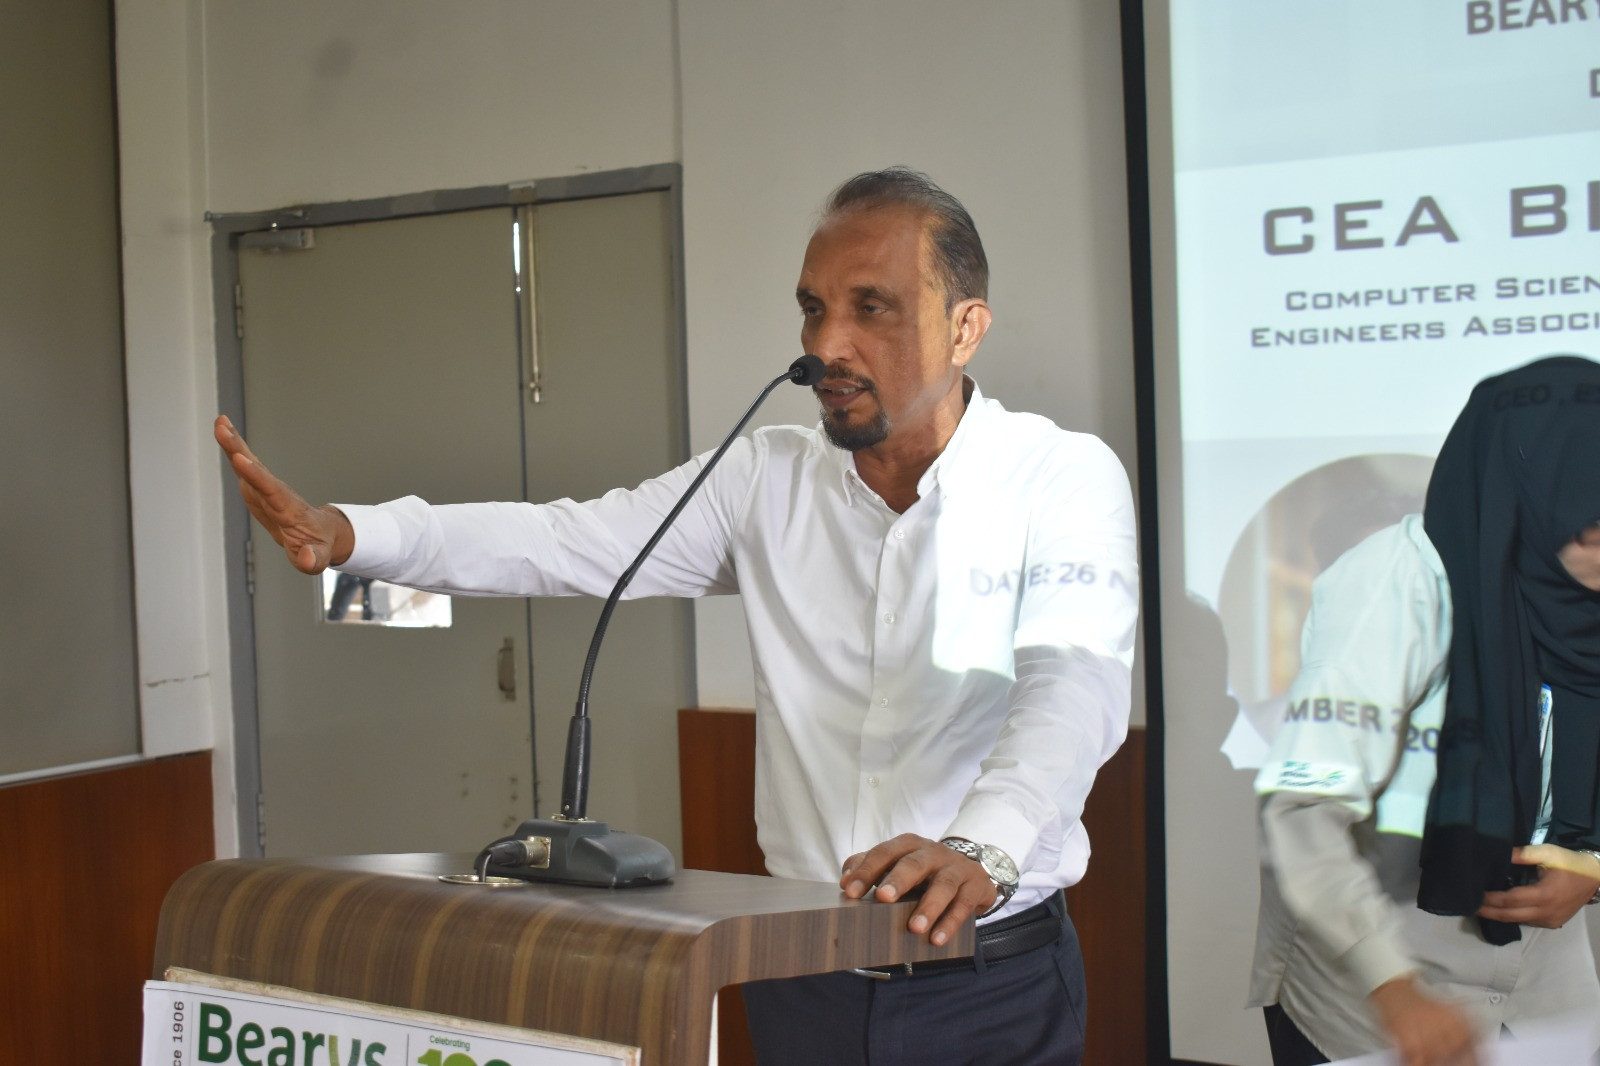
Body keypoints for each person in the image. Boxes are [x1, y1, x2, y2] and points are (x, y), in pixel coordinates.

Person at [216, 166, 1139, 1064]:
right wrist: (353, 534)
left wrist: (984, 844)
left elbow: (1072, 687)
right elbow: (565, 540)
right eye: (813, 308)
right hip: (801, 974)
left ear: (966, 327)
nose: (829, 344)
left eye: (872, 308)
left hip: (986, 982)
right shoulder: (764, 477)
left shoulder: (1060, 479)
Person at [1250, 355, 1600, 1066]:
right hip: (1378, 987)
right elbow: (1303, 806)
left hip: (1543, 988)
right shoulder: (1395, 584)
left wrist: (1592, 862)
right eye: (1590, 524)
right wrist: (1393, 987)